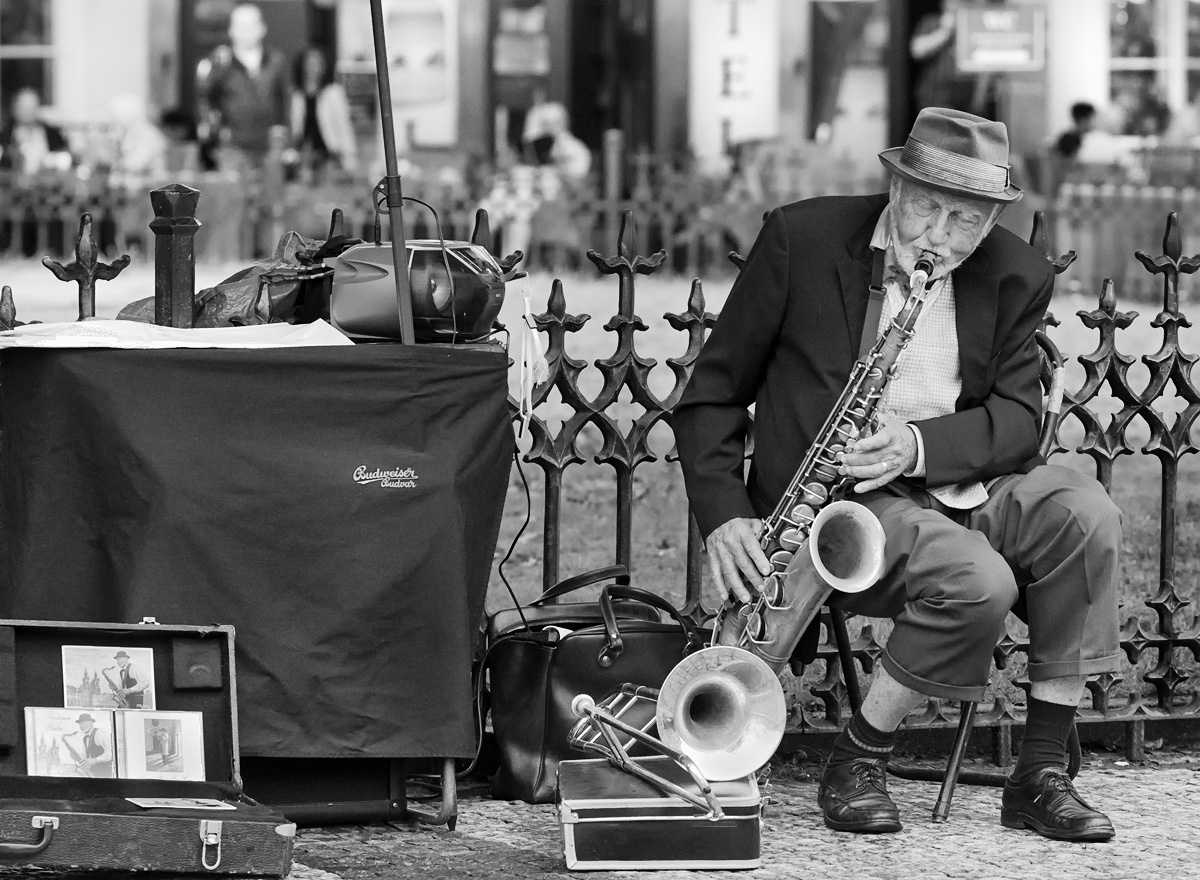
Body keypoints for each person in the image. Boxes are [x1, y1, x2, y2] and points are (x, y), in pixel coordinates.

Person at [673, 107, 1122, 842]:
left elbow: (1015, 421)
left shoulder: (1014, 270)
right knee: (977, 579)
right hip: (849, 498)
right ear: (896, 184)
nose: (940, 236)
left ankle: (1041, 771)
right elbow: (712, 395)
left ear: (990, 220)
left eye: (966, 220)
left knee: (1088, 513)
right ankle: (860, 758)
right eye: (928, 208)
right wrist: (724, 515)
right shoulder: (801, 239)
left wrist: (916, 445)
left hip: (952, 473)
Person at [195, 2, 291, 172]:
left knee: (271, 196)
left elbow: (284, 100)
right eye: (241, 25)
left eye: (251, 24)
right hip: (232, 148)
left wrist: (285, 139)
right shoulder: (220, 64)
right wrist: (216, 133)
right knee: (234, 195)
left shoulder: (275, 62)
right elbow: (206, 100)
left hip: (270, 148)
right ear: (231, 30)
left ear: (262, 28)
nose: (246, 30)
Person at [288, 45, 358, 178]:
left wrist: (348, 155)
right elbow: (296, 129)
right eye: (309, 63)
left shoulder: (333, 93)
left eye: (317, 63)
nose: (313, 68)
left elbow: (343, 126)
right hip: (306, 157)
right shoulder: (297, 96)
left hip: (331, 154)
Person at [0, 87, 72, 174]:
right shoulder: (5, 135)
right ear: (15, 109)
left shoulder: (52, 133)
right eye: (24, 108)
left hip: (47, 181)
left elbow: (65, 155)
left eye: (32, 108)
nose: (28, 113)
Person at [66, 713, 114, 778]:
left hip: (105, 772)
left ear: (90, 723)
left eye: (83, 723)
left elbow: (112, 752)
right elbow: (85, 758)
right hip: (93, 773)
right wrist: (76, 757)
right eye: (80, 724)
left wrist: (96, 760)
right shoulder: (85, 738)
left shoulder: (100, 733)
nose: (81, 726)